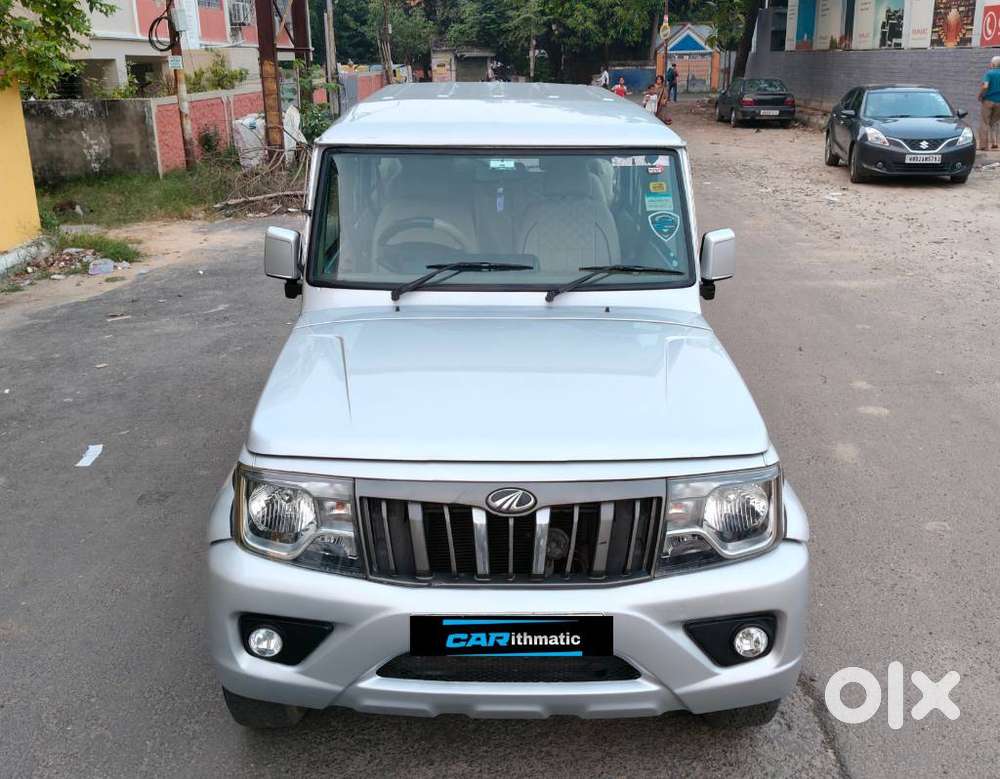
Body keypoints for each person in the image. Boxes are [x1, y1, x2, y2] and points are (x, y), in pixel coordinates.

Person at [979, 55, 1000, 151]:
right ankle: (995, 143)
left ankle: (984, 145)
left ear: (993, 64)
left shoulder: (989, 73)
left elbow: (985, 86)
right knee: (994, 122)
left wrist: (981, 95)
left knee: (985, 122)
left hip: (988, 101)